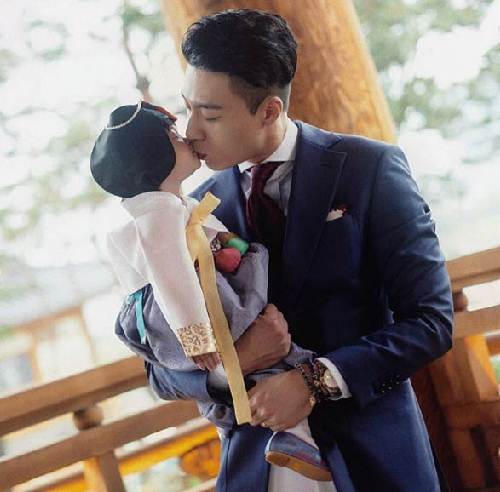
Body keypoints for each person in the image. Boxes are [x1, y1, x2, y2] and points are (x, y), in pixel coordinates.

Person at [114, 9, 453, 492]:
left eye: (211, 114)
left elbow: (431, 321)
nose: (192, 130)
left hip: (375, 460)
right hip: (257, 468)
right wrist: (234, 366)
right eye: (188, 108)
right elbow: (159, 372)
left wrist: (314, 381)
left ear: (269, 110)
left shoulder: (369, 168)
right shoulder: (187, 215)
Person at [90, 100, 333, 482]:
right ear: (153, 157)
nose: (188, 135)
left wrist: (230, 249)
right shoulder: (158, 212)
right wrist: (195, 334)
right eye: (173, 136)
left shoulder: (172, 205)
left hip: (191, 295)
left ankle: (277, 431)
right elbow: (172, 274)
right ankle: (292, 434)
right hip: (184, 304)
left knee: (264, 352)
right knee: (262, 350)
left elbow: (201, 239)